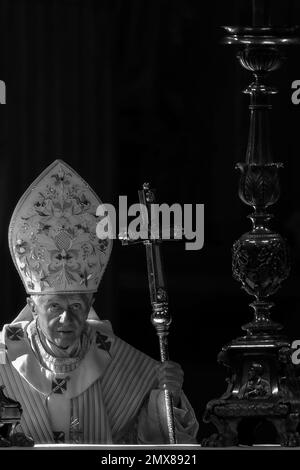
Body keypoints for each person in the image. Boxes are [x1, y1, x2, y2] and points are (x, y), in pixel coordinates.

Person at [0, 160, 198, 445]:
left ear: (91, 301)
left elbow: (150, 445)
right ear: (33, 308)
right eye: (54, 307)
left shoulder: (118, 360)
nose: (66, 320)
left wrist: (166, 397)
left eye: (76, 307)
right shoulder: (4, 359)